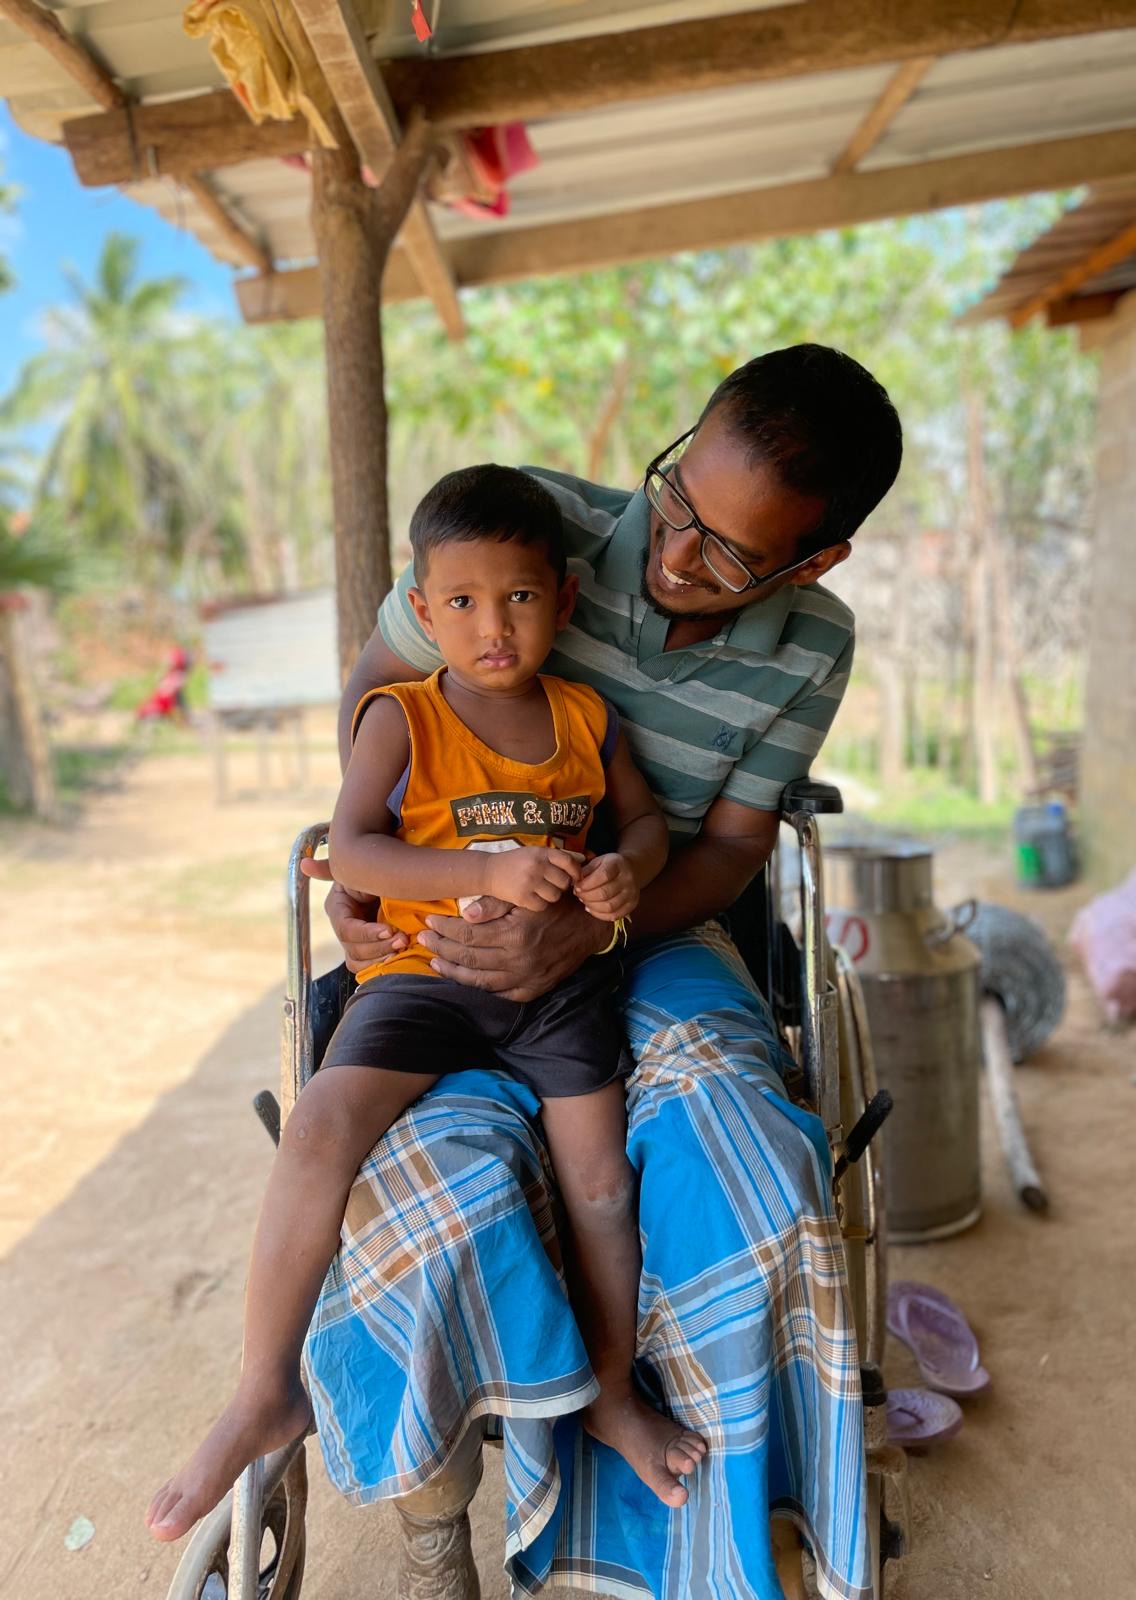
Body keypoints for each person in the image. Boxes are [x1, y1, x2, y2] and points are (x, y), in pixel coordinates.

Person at [303, 345, 902, 1600]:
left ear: (814, 561)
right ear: (681, 444)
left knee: (745, 1151)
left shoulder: (812, 646)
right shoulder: (525, 531)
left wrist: (592, 929)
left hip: (660, 928)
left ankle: (723, 1516)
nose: (676, 554)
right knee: (437, 1186)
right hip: (452, 929)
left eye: (733, 555)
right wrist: (372, 888)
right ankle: (437, 1515)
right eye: (678, 496)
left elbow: (732, 844)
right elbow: (381, 700)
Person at [145, 466, 705, 1543]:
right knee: (318, 1127)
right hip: (418, 978)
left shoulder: (589, 717)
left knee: (597, 1179)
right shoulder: (402, 716)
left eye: (522, 598)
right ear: (421, 601)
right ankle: (265, 1387)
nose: (492, 625)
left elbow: (645, 828)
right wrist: (486, 867)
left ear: (565, 600)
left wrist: (624, 871)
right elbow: (349, 845)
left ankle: (610, 1393)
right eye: (461, 601)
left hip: (560, 989)